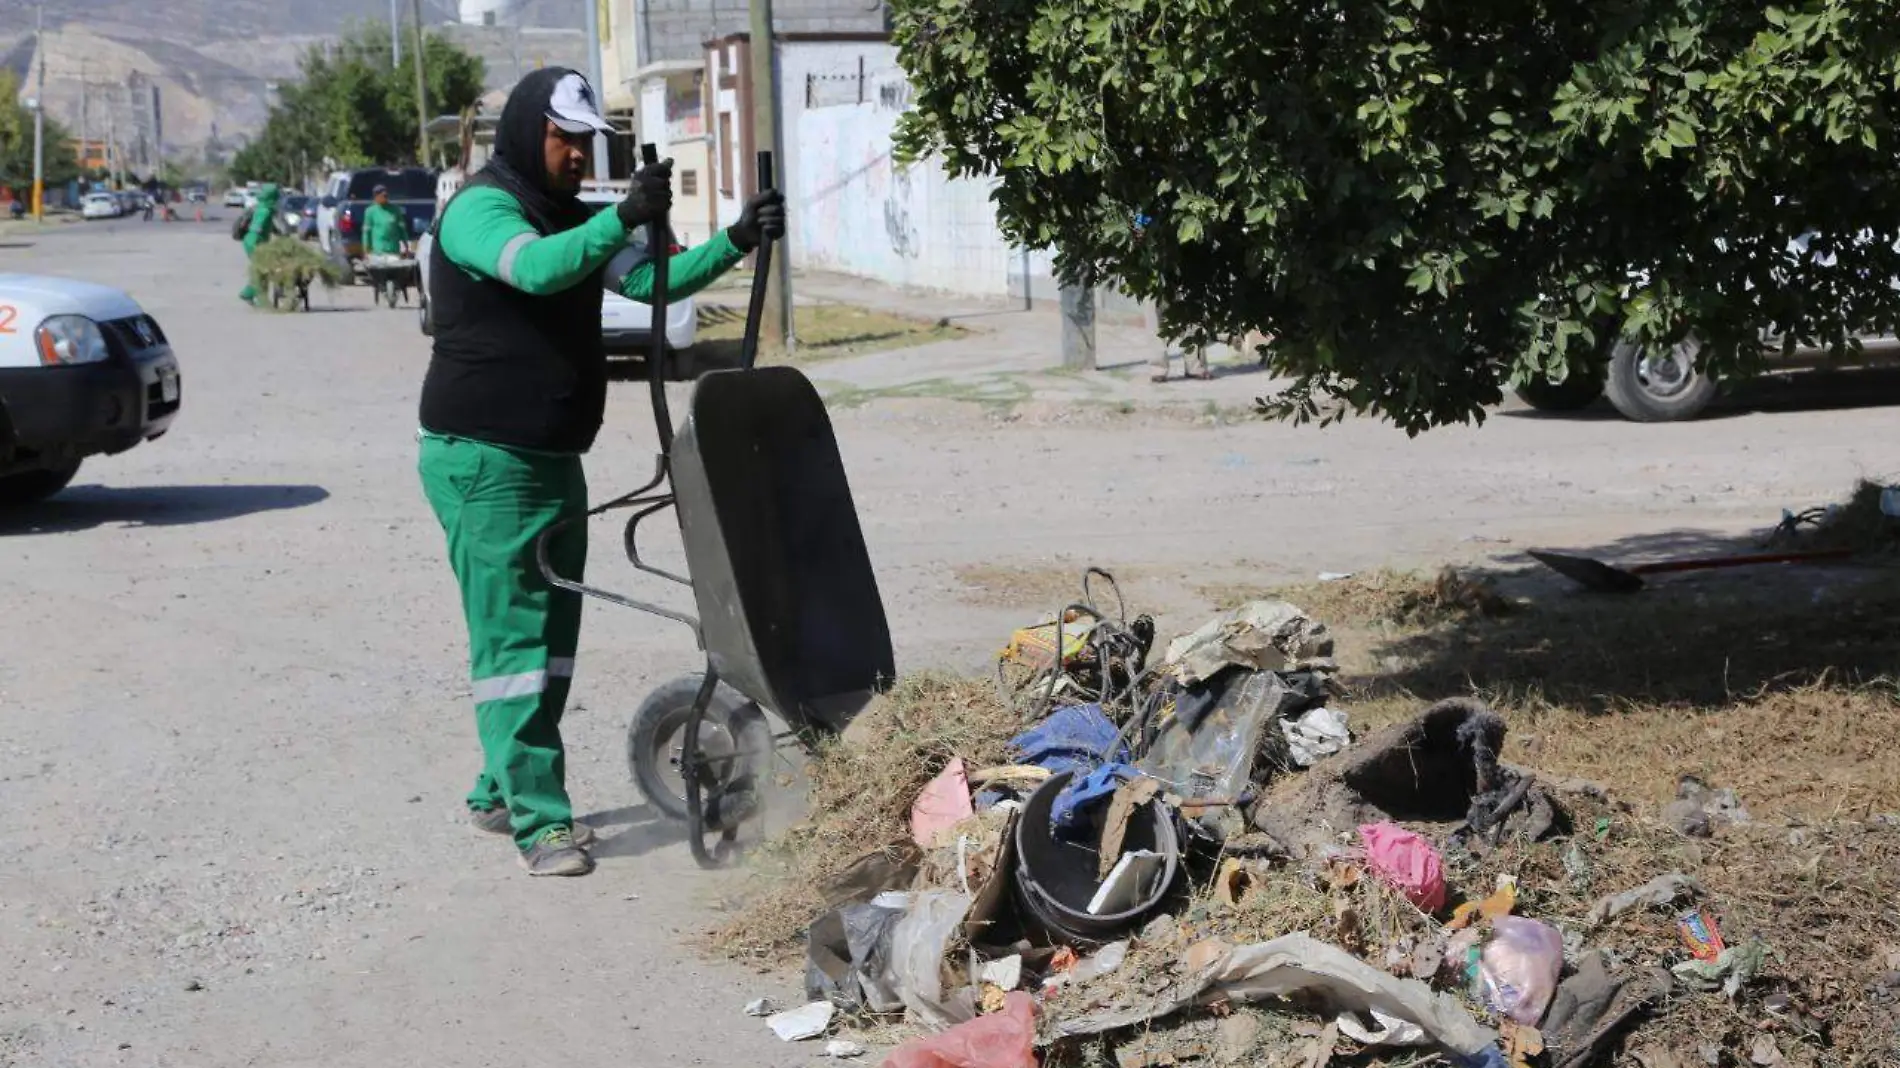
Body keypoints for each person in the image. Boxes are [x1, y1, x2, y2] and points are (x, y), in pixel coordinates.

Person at [417, 67, 785, 877]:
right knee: (513, 642)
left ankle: (497, 790)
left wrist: (737, 238)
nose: (578, 154)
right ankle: (541, 825)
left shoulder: (572, 217)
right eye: (563, 139)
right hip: (486, 461)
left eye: (586, 142)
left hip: (550, 460)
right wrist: (621, 215)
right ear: (524, 132)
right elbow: (538, 270)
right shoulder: (482, 210)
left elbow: (652, 284)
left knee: (549, 643)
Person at [236, 183, 280, 305]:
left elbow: (270, 226)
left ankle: (251, 294)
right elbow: (258, 226)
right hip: (255, 242)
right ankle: (255, 296)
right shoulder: (265, 210)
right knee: (263, 270)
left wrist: (280, 233)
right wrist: (258, 236)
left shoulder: (262, 207)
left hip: (253, 241)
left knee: (261, 269)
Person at [362, 184, 408, 257]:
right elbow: (366, 233)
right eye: (382, 196)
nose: (385, 197)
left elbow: (402, 230)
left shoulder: (395, 210)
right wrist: (365, 250)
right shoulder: (370, 211)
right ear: (376, 196)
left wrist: (406, 246)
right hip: (378, 251)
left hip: (394, 250)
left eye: (386, 196)